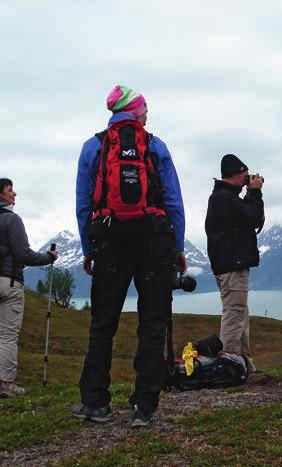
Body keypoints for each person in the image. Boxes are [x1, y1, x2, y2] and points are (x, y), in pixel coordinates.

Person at [71, 85, 186, 426]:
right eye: (145, 107)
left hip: (110, 241)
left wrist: (89, 248)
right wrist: (177, 246)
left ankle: (96, 403)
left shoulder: (94, 147)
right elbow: (173, 201)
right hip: (154, 242)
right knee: (151, 322)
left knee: (103, 324)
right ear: (135, 111)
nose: (148, 112)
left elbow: (83, 205)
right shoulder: (155, 146)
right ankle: (144, 407)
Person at [205, 154, 265, 376]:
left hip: (231, 265)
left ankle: (244, 364)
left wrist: (251, 193)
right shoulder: (223, 199)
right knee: (234, 313)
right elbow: (254, 217)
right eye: (245, 175)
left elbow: (251, 217)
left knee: (240, 314)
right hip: (232, 266)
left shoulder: (225, 198)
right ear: (235, 175)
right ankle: (228, 366)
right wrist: (256, 192)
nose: (247, 179)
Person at [0, 178, 58, 397]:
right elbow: (23, 254)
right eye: (9, 190)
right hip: (9, 282)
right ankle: (5, 385)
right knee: (6, 335)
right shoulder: (12, 220)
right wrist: (48, 257)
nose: (14, 194)